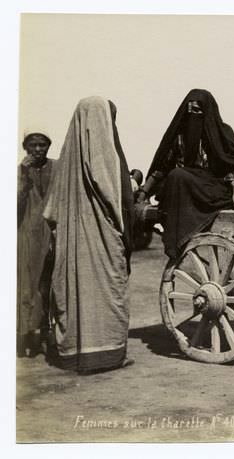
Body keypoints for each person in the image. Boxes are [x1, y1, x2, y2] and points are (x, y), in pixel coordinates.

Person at [42, 96, 134, 373]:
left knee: (75, 290)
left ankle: (75, 354)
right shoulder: (103, 155)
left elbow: (50, 212)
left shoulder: (66, 162)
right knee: (107, 291)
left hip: (73, 240)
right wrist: (121, 226)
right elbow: (110, 190)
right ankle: (107, 355)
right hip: (101, 235)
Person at [136, 89, 234, 259]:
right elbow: (162, 168)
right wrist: (144, 192)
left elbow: (231, 163)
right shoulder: (179, 136)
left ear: (207, 112)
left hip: (212, 188)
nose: (194, 115)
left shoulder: (221, 132)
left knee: (179, 176)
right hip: (185, 188)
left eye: (198, 111)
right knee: (177, 176)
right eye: (190, 111)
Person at [17, 130, 56, 357]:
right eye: (33, 145)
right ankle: (27, 334)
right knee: (28, 286)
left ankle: (48, 332)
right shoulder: (19, 171)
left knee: (49, 286)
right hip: (29, 236)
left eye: (43, 145)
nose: (38, 150)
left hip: (53, 233)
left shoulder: (58, 168)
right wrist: (23, 176)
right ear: (26, 147)